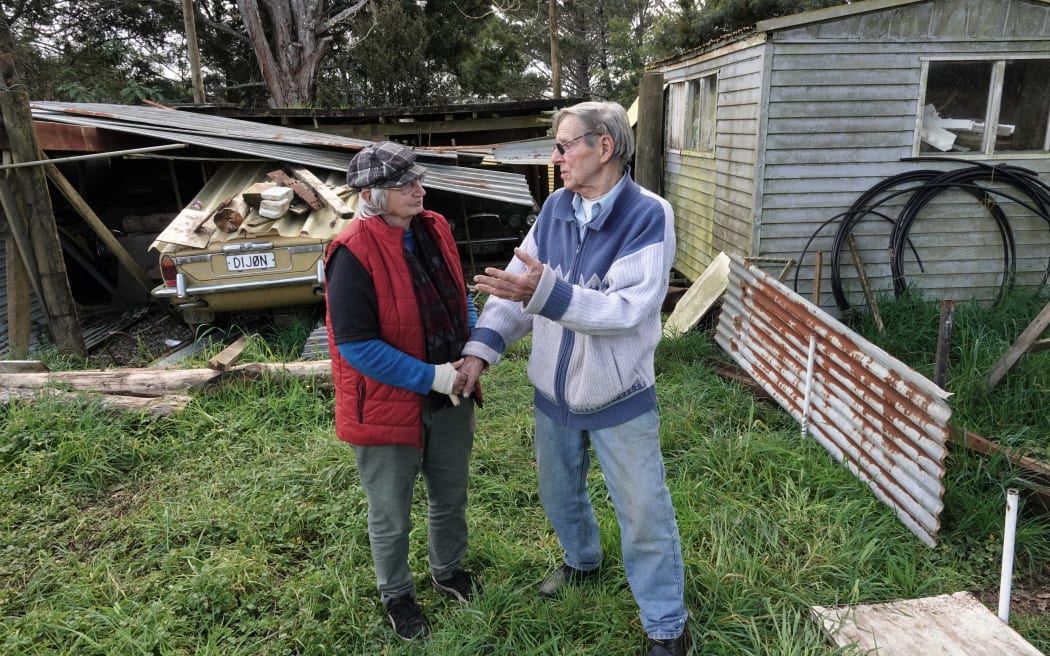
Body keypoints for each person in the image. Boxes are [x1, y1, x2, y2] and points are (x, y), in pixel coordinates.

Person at [458, 101, 689, 656]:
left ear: (604, 147)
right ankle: (582, 561)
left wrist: (544, 293)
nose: (556, 158)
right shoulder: (557, 207)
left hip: (619, 397)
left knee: (642, 513)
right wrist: (480, 350)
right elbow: (517, 290)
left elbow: (626, 310)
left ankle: (667, 628)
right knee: (559, 494)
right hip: (551, 395)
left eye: (565, 146)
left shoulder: (647, 215)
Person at [324, 141, 481, 642]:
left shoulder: (434, 228)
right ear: (372, 194)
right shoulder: (352, 251)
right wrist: (435, 376)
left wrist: (473, 350)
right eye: (404, 184)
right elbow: (357, 347)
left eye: (418, 179)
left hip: (451, 392)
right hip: (389, 406)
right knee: (391, 514)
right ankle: (397, 596)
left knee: (450, 495)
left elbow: (459, 300)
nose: (419, 189)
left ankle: (448, 571)